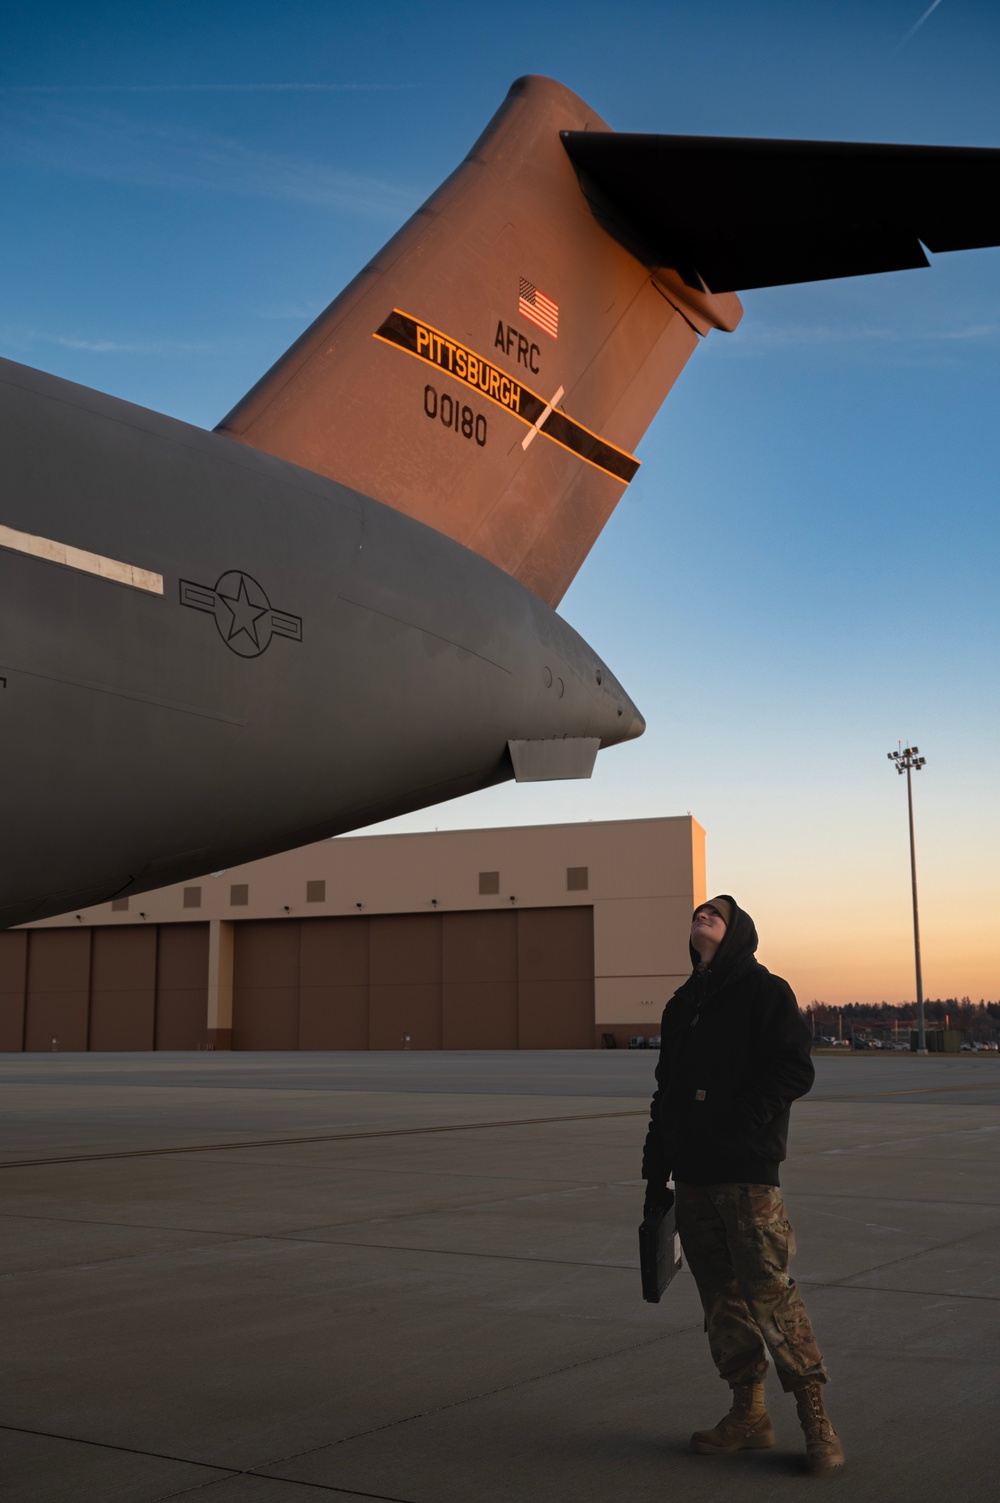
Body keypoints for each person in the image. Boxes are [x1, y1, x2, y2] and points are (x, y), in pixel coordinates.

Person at [642, 895, 845, 1476]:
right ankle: (748, 1414)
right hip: (694, 1181)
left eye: (717, 912)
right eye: (698, 911)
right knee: (721, 1302)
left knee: (772, 1295)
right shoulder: (682, 1006)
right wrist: (656, 1173)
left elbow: (794, 1068)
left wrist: (737, 1125)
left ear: (737, 932)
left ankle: (816, 1423)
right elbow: (667, 1095)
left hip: (748, 1177)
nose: (702, 914)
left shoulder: (764, 990)